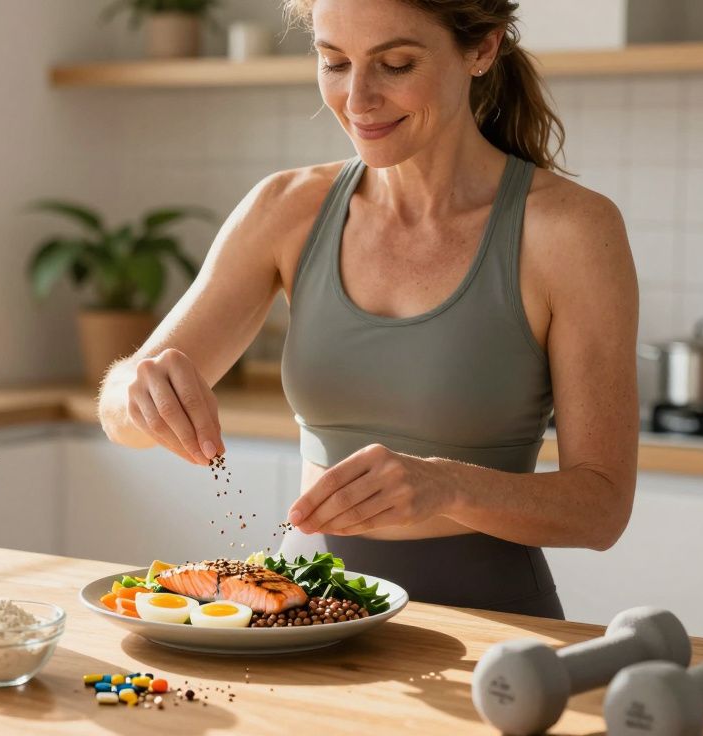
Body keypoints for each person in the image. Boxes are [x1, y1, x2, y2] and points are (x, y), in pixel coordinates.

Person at [96, 0, 638, 619]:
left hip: (492, 626)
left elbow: (602, 508)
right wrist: (136, 390)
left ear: (482, 50)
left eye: (397, 64)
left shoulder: (571, 230)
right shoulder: (286, 208)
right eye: (334, 62)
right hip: (298, 614)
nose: (357, 99)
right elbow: (121, 413)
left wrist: (448, 484)